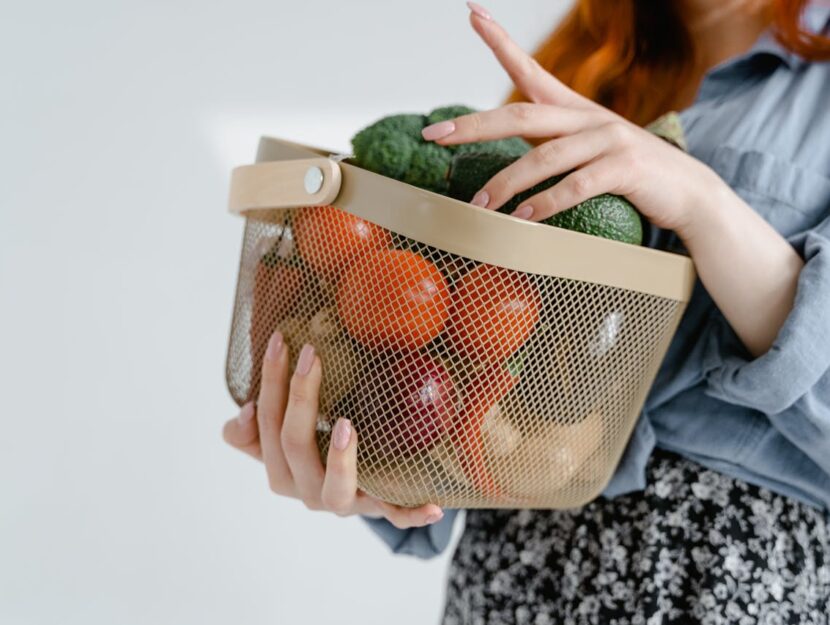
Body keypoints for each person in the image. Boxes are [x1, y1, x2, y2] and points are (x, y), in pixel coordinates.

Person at [223, 0, 830, 621]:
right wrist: (378, 473)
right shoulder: (581, 65)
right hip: (510, 565)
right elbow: (472, 352)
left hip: (724, 572)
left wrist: (699, 197)